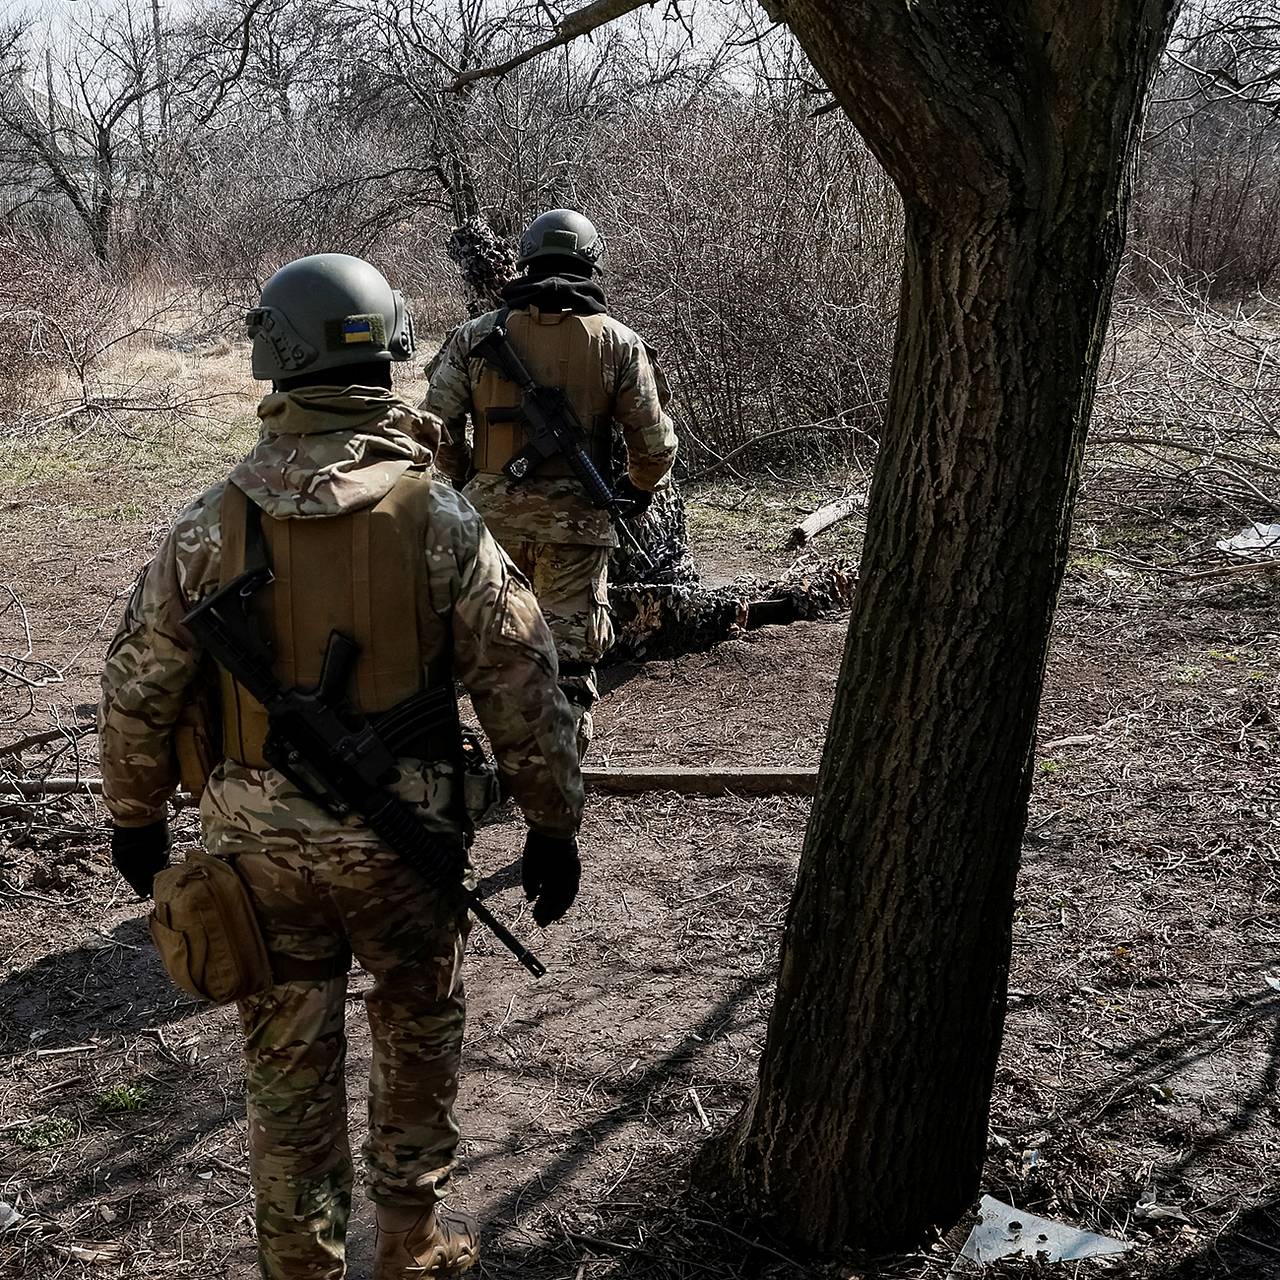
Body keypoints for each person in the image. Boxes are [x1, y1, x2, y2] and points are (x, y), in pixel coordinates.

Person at [98, 253, 584, 1280]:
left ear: (275, 357)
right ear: (390, 354)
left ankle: (303, 1264)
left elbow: (138, 684)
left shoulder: (209, 522)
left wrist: (134, 817)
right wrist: (550, 821)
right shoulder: (438, 517)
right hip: (404, 850)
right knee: (416, 1031)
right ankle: (409, 1238)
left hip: (253, 861)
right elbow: (521, 682)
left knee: (288, 1070)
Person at [422, 209, 678, 756]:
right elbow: (654, 446)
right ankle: (557, 777)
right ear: (591, 260)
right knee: (567, 660)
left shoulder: (475, 336)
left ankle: (489, 760)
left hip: (487, 529)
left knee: (490, 650)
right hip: (579, 527)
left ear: (526, 259)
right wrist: (635, 489)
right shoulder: (617, 342)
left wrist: (467, 475)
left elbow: (432, 425)